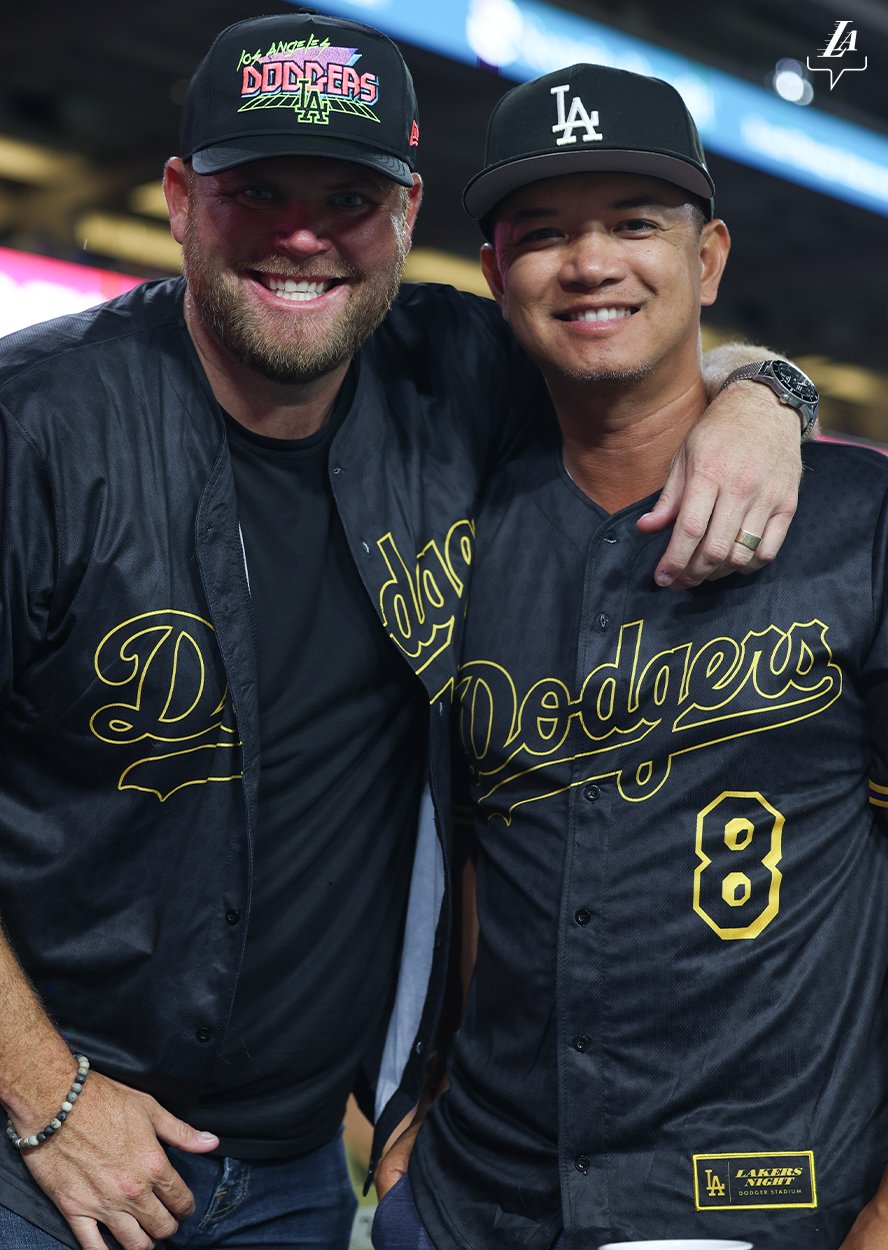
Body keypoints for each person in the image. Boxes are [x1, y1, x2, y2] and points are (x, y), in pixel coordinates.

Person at [0, 15, 805, 1250]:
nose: (303, 234)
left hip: (289, 1168)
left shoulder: (453, 373)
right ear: (178, 199)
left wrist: (765, 399)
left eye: (348, 195)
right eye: (256, 188)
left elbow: (650, 366)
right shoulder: (18, 428)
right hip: (10, 1155)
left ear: (408, 211)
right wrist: (46, 1094)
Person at [374, 61, 888, 1250]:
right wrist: (416, 1128)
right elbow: (474, 858)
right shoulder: (462, 533)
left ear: (706, 259)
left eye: (634, 225)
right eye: (543, 232)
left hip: (767, 1204)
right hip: (480, 1200)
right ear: (496, 273)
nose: (590, 262)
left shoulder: (859, 527)